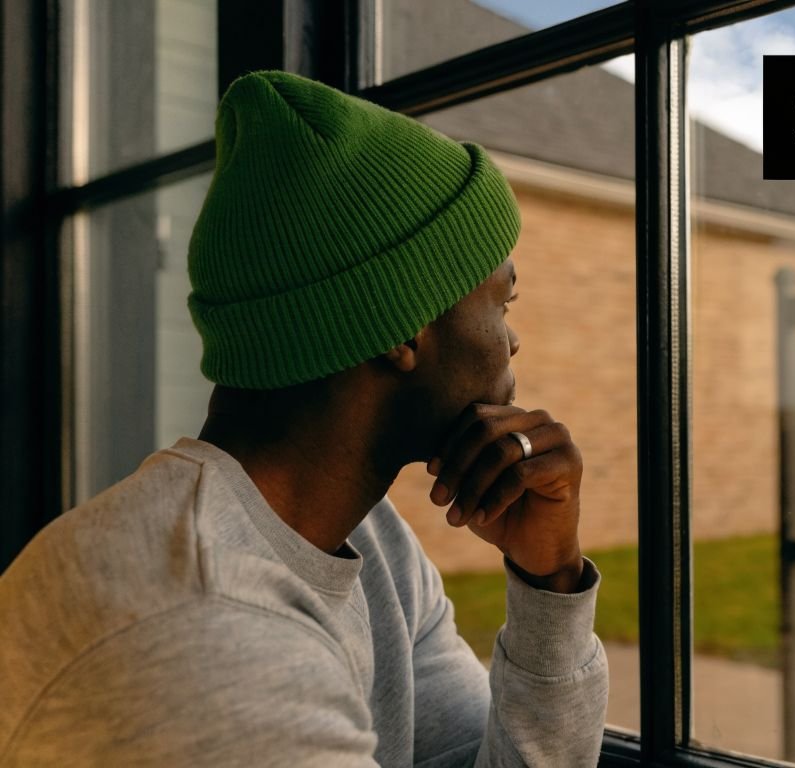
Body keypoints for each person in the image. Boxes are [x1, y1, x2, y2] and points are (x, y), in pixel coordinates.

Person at [0, 70, 608, 766]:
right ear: (400, 327)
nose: (511, 340)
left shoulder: (372, 548)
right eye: (501, 304)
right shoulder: (207, 641)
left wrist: (550, 582)